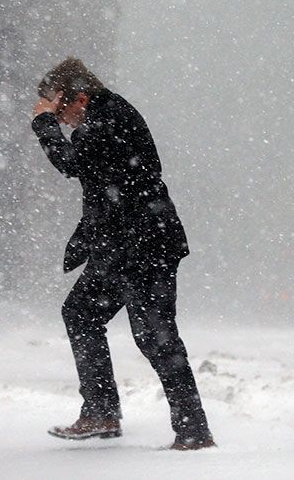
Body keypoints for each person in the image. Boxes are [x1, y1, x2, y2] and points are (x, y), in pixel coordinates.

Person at [31, 58, 214, 450]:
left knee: (155, 337)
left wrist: (42, 124)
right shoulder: (101, 117)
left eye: (61, 111)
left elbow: (72, 165)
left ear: (80, 96)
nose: (61, 121)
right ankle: (101, 412)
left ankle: (194, 431)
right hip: (122, 244)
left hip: (145, 244)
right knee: (81, 313)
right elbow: (100, 184)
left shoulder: (107, 118)